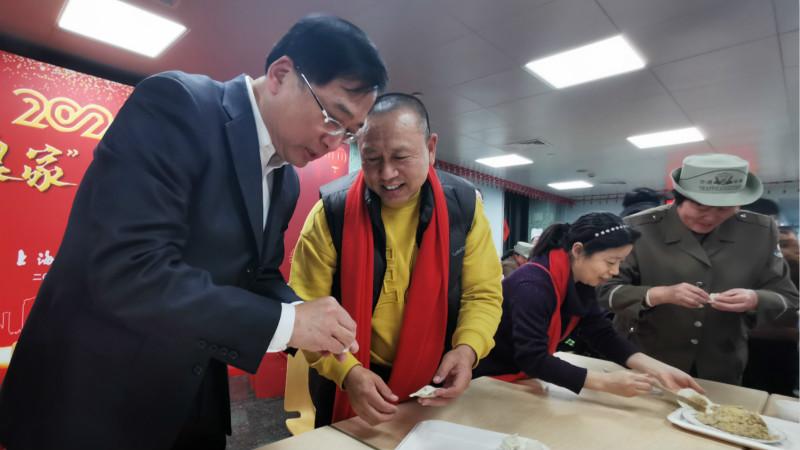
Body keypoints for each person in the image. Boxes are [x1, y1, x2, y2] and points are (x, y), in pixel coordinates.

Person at [0, 15, 388, 450]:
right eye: (333, 117)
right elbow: (127, 269)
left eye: (349, 133)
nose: (334, 142)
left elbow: (256, 274)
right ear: (281, 75)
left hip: (188, 399)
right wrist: (287, 323)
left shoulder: (285, 179)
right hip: (91, 398)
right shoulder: (178, 105)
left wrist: (303, 313)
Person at [288, 93, 503, 426]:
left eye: (401, 157)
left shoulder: (463, 208)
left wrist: (468, 349)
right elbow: (305, 310)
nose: (387, 174)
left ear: (431, 148)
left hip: (435, 377)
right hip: (350, 377)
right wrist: (347, 373)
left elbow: (482, 294)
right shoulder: (331, 213)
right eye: (372, 158)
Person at [598, 153, 799, 385]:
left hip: (720, 362)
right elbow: (604, 291)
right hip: (647, 357)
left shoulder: (759, 232)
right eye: (700, 206)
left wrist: (755, 299)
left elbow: (788, 299)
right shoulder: (638, 228)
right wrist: (658, 294)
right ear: (679, 198)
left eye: (724, 209)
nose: (711, 217)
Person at [475, 213, 702, 397]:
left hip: (520, 379)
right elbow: (532, 358)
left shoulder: (580, 282)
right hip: (487, 381)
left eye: (620, 262)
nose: (615, 271)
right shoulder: (533, 285)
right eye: (610, 261)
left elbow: (601, 333)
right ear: (578, 250)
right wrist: (605, 382)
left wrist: (660, 369)